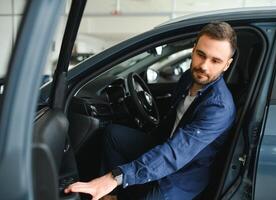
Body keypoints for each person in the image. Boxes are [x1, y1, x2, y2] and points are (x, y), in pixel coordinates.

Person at [65, 21, 237, 200]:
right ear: (193, 49)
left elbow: (174, 154)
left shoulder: (219, 108)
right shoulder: (189, 77)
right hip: (165, 145)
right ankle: (113, 196)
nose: (204, 66)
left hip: (185, 172)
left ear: (227, 65)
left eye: (215, 61)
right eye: (201, 55)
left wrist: (113, 177)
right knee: (113, 135)